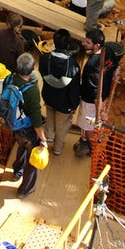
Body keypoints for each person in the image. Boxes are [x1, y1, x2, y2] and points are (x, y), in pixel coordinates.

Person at [6, 53, 47, 199]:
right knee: (32, 160)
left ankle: (17, 172)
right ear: (31, 70)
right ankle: (25, 189)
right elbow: (36, 117)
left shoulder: (9, 79)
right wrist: (42, 138)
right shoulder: (31, 91)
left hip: (14, 126)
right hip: (28, 130)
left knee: (21, 147)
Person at [75, 28, 118, 158]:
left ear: (97, 45)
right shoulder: (109, 51)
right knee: (88, 125)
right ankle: (84, 140)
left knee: (88, 126)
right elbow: (116, 66)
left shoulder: (91, 65)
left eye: (87, 42)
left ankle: (93, 148)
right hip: (103, 96)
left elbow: (95, 94)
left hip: (91, 102)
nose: (84, 43)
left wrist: (100, 112)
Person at [39, 29, 80, 157]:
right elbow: (74, 89)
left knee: (50, 116)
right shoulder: (72, 66)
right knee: (61, 126)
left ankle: (49, 137)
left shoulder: (45, 59)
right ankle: (57, 147)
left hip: (49, 96)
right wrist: (74, 105)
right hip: (64, 103)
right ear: (68, 45)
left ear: (54, 43)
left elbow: (42, 73)